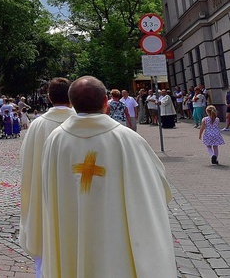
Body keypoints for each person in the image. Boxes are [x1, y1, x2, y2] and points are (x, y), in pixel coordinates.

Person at [40, 76, 174, 278]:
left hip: (71, 235)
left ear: (73, 104)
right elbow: (155, 189)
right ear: (106, 102)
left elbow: (48, 193)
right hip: (117, 240)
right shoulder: (128, 139)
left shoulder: (55, 140)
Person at [19, 77, 76, 278]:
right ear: (70, 96)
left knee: (46, 250)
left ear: (49, 97)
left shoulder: (38, 125)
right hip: (78, 199)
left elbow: (26, 162)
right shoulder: (81, 122)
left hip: (45, 199)